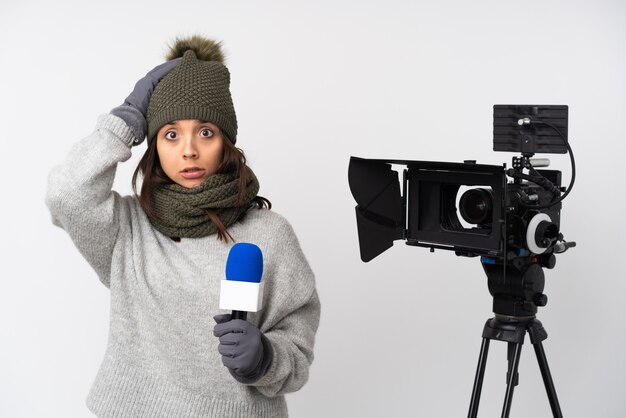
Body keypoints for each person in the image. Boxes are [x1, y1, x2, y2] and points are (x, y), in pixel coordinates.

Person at [45, 34, 321, 418]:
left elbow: (297, 353)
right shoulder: (127, 230)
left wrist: (266, 358)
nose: (188, 150)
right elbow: (66, 194)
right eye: (171, 134)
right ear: (154, 145)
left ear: (226, 142)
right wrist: (123, 122)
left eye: (205, 132)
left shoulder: (270, 236)